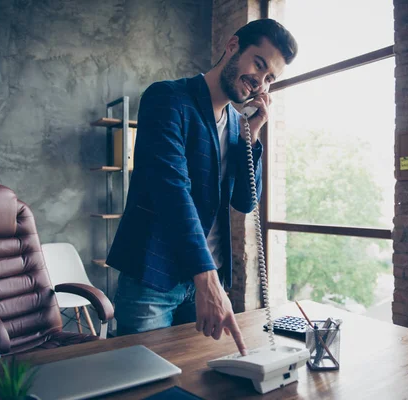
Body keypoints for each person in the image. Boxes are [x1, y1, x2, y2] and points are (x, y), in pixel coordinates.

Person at [106, 18, 297, 355]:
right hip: (155, 279)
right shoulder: (167, 99)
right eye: (259, 63)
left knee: (195, 383)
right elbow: (172, 192)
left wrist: (253, 132)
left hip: (205, 281)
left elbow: (244, 201)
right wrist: (206, 278)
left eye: (270, 78)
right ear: (233, 46)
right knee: (147, 386)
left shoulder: (238, 124)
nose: (260, 81)